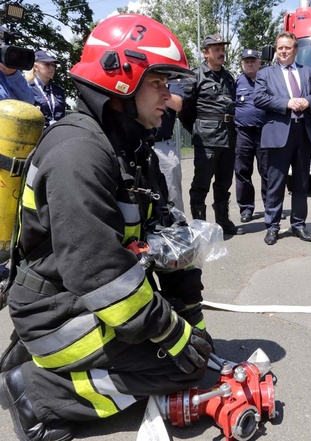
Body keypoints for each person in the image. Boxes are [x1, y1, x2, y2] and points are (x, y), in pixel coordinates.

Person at [0, 15, 212, 441]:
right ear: (123, 78)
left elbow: (165, 234)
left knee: (195, 352)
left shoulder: (131, 149)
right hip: (58, 309)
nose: (169, 98)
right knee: (177, 367)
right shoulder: (79, 153)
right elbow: (99, 276)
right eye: (160, 84)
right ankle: (39, 392)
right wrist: (171, 333)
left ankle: (45, 361)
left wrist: (190, 311)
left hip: (78, 298)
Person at [254, 31, 311, 245]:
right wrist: (285, 103)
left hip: (304, 132)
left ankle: (298, 224)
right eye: (280, 48)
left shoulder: (310, 72)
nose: (283, 51)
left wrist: (307, 101)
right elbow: (259, 98)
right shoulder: (265, 74)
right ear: (276, 50)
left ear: (296, 50)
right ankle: (273, 226)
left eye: (287, 47)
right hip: (278, 133)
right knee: (275, 183)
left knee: (301, 182)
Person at [181, 34, 244, 235]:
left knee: (224, 182)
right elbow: (185, 111)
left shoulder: (228, 77)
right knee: (201, 183)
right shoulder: (195, 76)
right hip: (206, 139)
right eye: (215, 49)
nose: (221, 52)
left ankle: (222, 221)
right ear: (205, 53)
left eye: (222, 48)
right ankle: (200, 226)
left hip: (228, 136)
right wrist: (199, 128)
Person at [234, 49, 268, 223]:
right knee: (242, 171)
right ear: (242, 63)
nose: (249, 63)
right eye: (246, 61)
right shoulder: (236, 82)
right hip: (243, 132)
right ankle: (246, 208)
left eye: (253, 60)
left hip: (264, 132)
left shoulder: (267, 80)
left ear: (259, 62)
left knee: (267, 171)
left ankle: (270, 207)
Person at [154, 81, 186, 211]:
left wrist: (156, 91)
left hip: (164, 146)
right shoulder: (141, 77)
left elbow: (178, 104)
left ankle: (179, 227)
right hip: (140, 142)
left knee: (173, 194)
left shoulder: (172, 81)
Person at [28, 51, 66, 127]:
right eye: (47, 64)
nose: (51, 68)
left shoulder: (58, 90)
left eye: (53, 65)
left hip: (57, 133)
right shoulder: (28, 88)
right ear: (36, 67)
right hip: (37, 134)